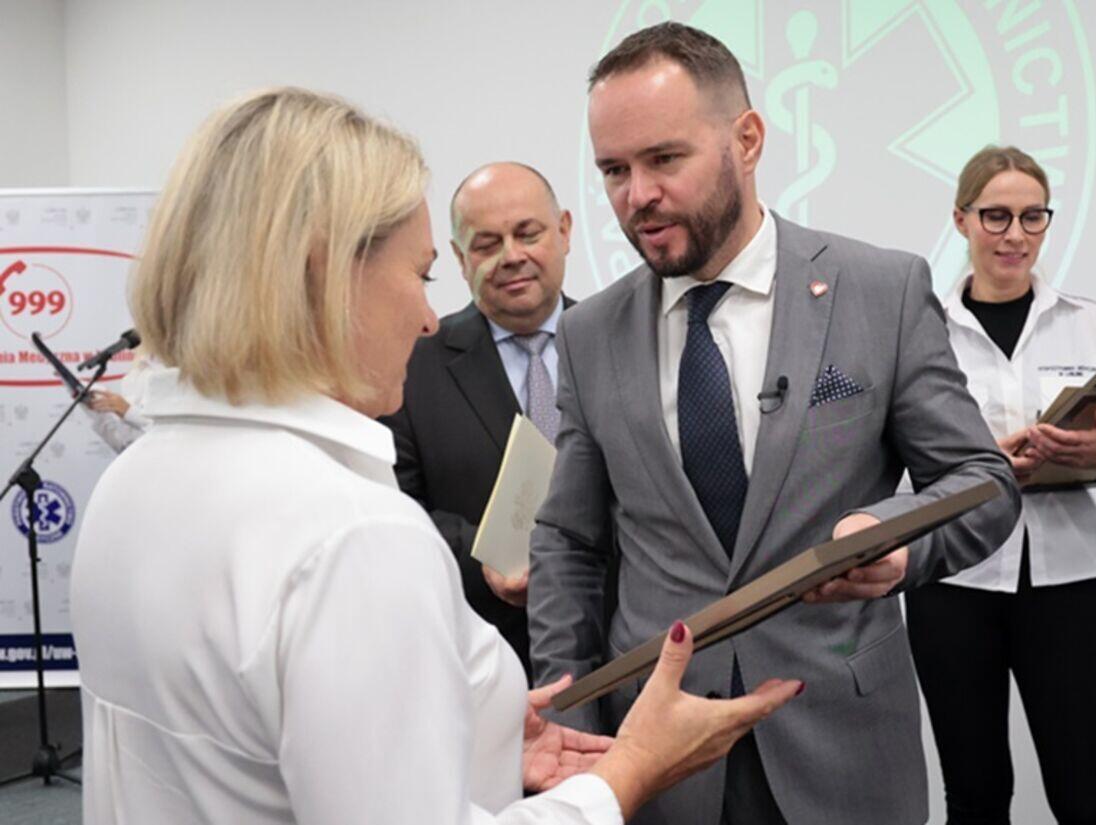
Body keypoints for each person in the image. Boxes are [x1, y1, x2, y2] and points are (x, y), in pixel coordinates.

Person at [69, 86, 801, 825]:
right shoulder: (355, 537)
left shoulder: (131, 482)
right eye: (421, 275)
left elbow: (242, 758)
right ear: (326, 274)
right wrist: (630, 772)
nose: (427, 318)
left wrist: (469, 740)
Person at [528, 23, 1020, 825]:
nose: (636, 195)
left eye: (664, 159)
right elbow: (569, 543)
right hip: (657, 766)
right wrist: (571, 721)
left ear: (748, 139)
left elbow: (983, 483)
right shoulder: (589, 333)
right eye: (613, 170)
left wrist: (898, 542)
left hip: (842, 745)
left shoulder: (880, 291)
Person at [904, 145, 1096, 825]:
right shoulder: (920, 331)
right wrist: (981, 470)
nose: (1015, 235)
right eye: (996, 216)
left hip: (1067, 585)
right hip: (951, 582)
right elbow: (884, 466)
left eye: (1033, 217)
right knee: (974, 796)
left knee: (1089, 796)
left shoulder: (1091, 324)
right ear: (961, 220)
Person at [381, 161, 591, 681]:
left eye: (528, 234)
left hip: (620, 650)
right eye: (486, 244)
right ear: (459, 258)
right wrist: (483, 560)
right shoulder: (411, 364)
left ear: (565, 231)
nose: (511, 256)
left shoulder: (617, 344)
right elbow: (393, 505)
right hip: (480, 665)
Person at [80, 353, 157, 452]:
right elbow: (124, 444)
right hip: (136, 457)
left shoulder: (170, 371)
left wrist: (127, 411)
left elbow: (168, 430)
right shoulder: (133, 374)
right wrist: (100, 414)